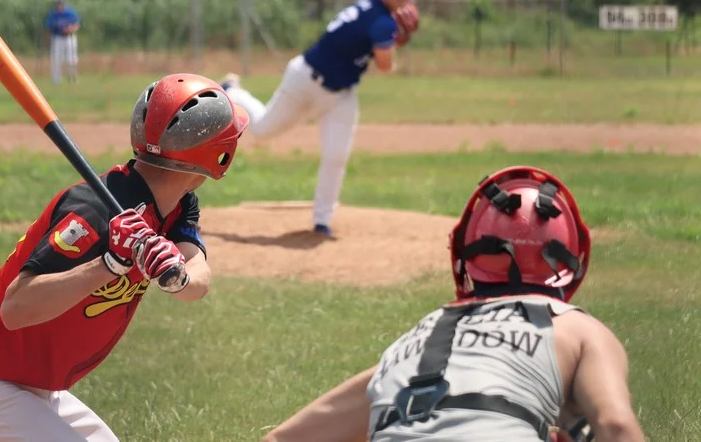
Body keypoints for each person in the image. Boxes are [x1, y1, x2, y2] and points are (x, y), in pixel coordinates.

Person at [0, 73, 249, 442]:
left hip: (28, 387)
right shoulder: (92, 211)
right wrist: (109, 263)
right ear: (218, 154)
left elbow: (198, 279)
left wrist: (176, 275)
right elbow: (15, 308)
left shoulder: (178, 206)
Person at [261, 166, 646, 442]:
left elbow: (281, 439)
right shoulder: (576, 328)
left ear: (466, 253)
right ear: (571, 257)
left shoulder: (423, 336)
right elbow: (616, 427)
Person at [220, 0, 420, 238]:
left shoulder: (373, 9)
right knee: (263, 129)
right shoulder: (383, 21)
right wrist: (399, 38)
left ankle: (322, 220)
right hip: (305, 82)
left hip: (341, 94)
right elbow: (385, 65)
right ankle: (233, 91)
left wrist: (393, 37)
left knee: (336, 156)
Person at [44, 0, 81, 84]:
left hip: (69, 38)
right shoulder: (53, 15)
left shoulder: (70, 13)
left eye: (60, 2)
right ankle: (56, 79)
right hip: (57, 37)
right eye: (57, 3)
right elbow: (48, 27)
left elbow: (76, 24)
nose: (59, 4)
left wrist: (70, 29)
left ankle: (72, 76)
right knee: (56, 58)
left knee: (71, 58)